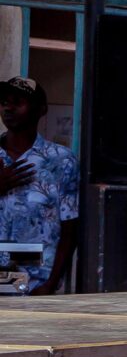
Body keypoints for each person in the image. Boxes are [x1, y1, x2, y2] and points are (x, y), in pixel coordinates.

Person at [0, 76, 76, 293]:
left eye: (18, 102)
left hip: (37, 283)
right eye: (4, 102)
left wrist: (51, 284)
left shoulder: (61, 161)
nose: (8, 108)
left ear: (41, 110)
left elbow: (71, 228)